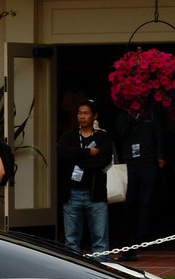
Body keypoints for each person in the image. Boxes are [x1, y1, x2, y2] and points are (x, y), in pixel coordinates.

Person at [57, 99, 113, 258]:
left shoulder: (103, 137)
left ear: (94, 116)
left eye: (86, 113)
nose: (82, 116)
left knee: (100, 238)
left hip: (95, 194)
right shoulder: (69, 136)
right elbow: (62, 152)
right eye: (80, 113)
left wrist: (77, 158)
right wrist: (87, 153)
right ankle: (74, 273)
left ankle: (103, 270)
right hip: (72, 194)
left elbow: (102, 160)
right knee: (71, 239)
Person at [115, 107, 166, 261]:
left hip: (148, 161)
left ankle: (142, 235)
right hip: (130, 162)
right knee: (129, 201)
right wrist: (131, 118)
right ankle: (129, 238)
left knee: (146, 200)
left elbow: (159, 135)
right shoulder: (123, 116)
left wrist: (160, 156)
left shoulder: (150, 114)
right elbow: (121, 134)